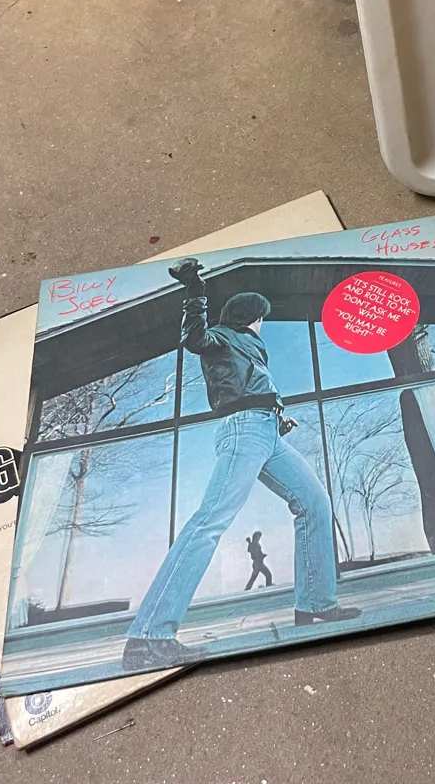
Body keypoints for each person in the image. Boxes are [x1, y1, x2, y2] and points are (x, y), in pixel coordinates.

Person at [121, 258, 360, 671]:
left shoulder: (252, 349)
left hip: (267, 433)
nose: (264, 324)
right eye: (262, 318)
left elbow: (252, 387)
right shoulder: (223, 336)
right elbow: (194, 337)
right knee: (210, 522)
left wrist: (277, 419)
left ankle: (316, 604)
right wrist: (195, 290)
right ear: (253, 317)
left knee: (315, 503)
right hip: (243, 431)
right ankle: (148, 636)